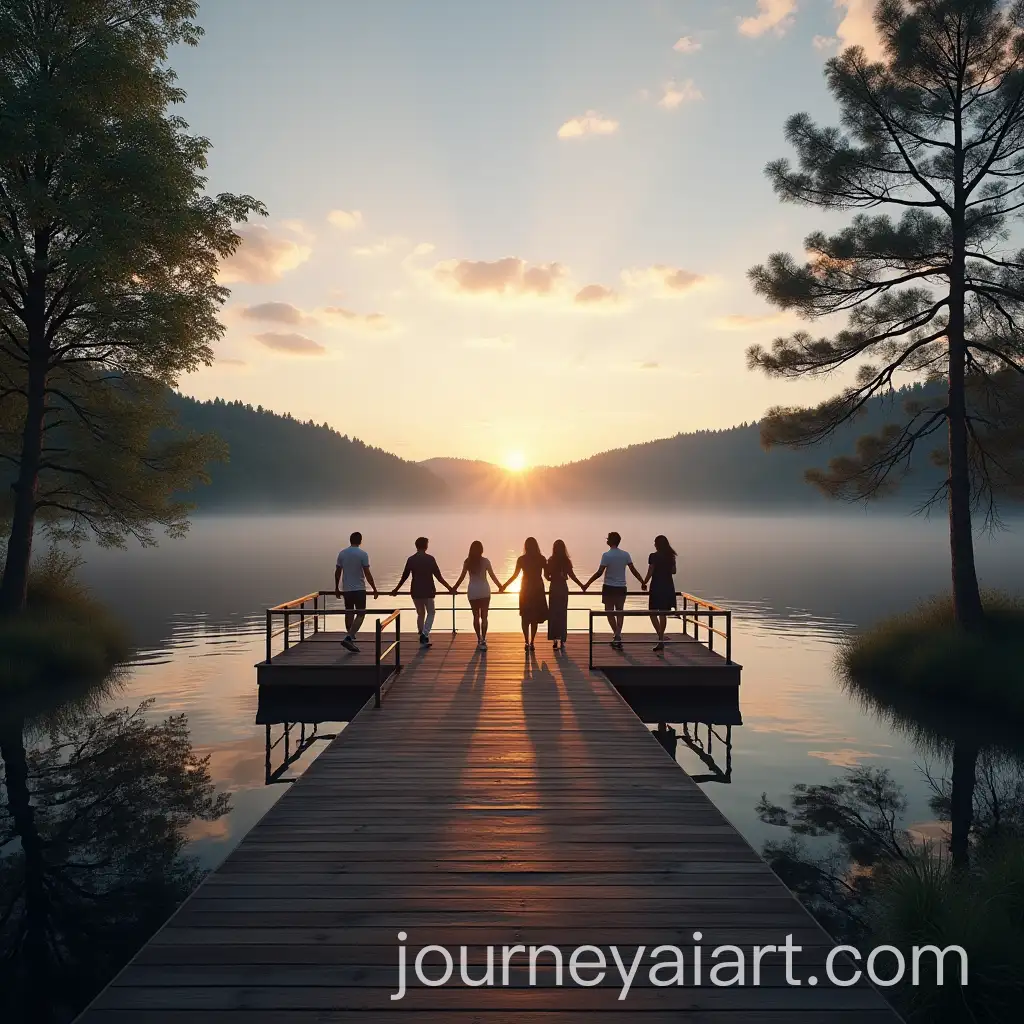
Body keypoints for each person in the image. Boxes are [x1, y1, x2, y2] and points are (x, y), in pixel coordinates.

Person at [583, 531, 645, 650]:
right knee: (619, 612)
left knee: (609, 612)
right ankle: (617, 635)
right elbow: (633, 570)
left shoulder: (606, 555)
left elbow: (599, 573)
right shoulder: (625, 555)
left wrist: (587, 584)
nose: (606, 540)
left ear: (610, 541)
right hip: (621, 587)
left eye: (607, 539)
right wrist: (642, 581)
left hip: (609, 587)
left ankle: (617, 635)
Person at [391, 536, 453, 647]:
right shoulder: (430, 559)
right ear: (426, 546)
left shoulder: (411, 559)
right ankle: (424, 634)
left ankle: (421, 634)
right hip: (428, 591)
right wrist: (450, 589)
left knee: (420, 613)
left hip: (415, 591)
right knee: (431, 612)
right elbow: (439, 577)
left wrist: (396, 589)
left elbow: (404, 577)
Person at [451, 540, 503, 650]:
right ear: (481, 550)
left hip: (473, 592)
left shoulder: (467, 562)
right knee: (484, 617)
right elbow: (492, 576)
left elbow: (461, 577)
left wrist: (454, 588)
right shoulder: (485, 561)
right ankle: (483, 639)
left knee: (475, 616)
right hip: (484, 591)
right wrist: (500, 586)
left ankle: (478, 639)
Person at [501, 537, 548, 650]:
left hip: (525, 589)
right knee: (535, 617)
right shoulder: (541, 559)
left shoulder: (521, 559)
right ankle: (532, 642)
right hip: (538, 589)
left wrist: (504, 585)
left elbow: (515, 575)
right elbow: (547, 576)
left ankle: (526, 641)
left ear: (525, 546)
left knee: (525, 617)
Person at [334, 531, 378, 653]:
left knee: (349, 613)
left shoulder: (342, 553)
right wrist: (374, 588)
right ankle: (349, 637)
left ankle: (350, 637)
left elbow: (338, 572)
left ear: (350, 540)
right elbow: (367, 573)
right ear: (360, 541)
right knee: (361, 613)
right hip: (359, 589)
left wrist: (336, 588)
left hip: (347, 589)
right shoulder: (363, 554)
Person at [545, 539, 583, 651]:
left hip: (554, 588)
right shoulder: (566, 561)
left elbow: (546, 576)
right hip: (563, 588)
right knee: (562, 614)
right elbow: (572, 575)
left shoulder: (550, 560)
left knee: (553, 614)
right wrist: (582, 585)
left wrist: (552, 578)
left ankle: (554, 639)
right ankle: (562, 639)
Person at [643, 534, 678, 652]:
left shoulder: (653, 556)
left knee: (652, 612)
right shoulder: (671, 556)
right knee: (663, 613)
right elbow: (674, 571)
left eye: (655, 542)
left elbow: (650, 571)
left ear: (657, 544)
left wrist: (644, 582)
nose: (653, 544)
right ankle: (661, 638)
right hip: (668, 586)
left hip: (657, 585)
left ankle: (661, 638)